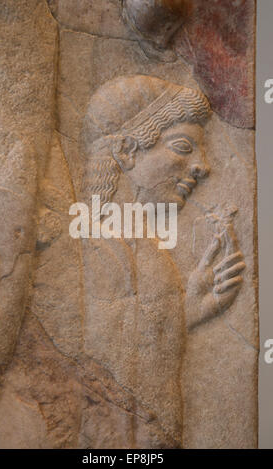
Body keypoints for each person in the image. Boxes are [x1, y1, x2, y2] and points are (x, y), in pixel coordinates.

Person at [80, 75, 246, 447]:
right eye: (183, 146)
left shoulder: (140, 249)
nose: (202, 166)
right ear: (126, 152)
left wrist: (181, 314)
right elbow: (98, 366)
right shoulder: (93, 248)